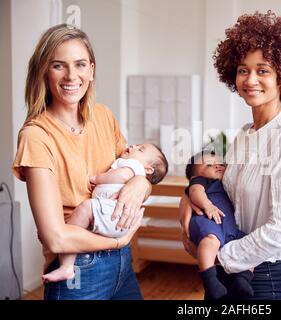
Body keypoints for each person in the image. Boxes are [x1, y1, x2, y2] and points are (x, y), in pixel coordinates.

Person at [179, 11, 281, 300]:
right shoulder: (243, 134)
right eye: (243, 70)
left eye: (263, 70)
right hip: (226, 272)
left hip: (261, 276)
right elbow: (226, 196)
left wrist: (220, 255)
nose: (251, 79)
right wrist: (192, 200)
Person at [12, 24, 152, 300]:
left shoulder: (103, 116)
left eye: (79, 64)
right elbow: (55, 237)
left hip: (122, 264)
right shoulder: (36, 136)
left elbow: (132, 172)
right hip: (77, 269)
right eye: (58, 66)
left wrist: (141, 181)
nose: (71, 76)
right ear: (44, 71)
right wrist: (117, 240)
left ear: (92, 69)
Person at [42, 143, 168, 283]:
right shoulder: (132, 166)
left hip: (114, 214)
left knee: (84, 208)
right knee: (85, 215)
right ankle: (67, 265)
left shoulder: (133, 167)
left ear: (148, 169)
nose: (133, 146)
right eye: (137, 145)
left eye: (140, 149)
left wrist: (96, 179)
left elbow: (120, 176)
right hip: (114, 219)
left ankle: (67, 265)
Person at [184, 150, 253, 300]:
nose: (217, 166)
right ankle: (210, 281)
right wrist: (207, 205)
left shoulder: (227, 183)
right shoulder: (201, 181)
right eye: (209, 164)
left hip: (229, 227)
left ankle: (242, 278)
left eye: (220, 163)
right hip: (207, 220)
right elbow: (195, 192)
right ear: (195, 174)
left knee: (249, 244)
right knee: (211, 240)